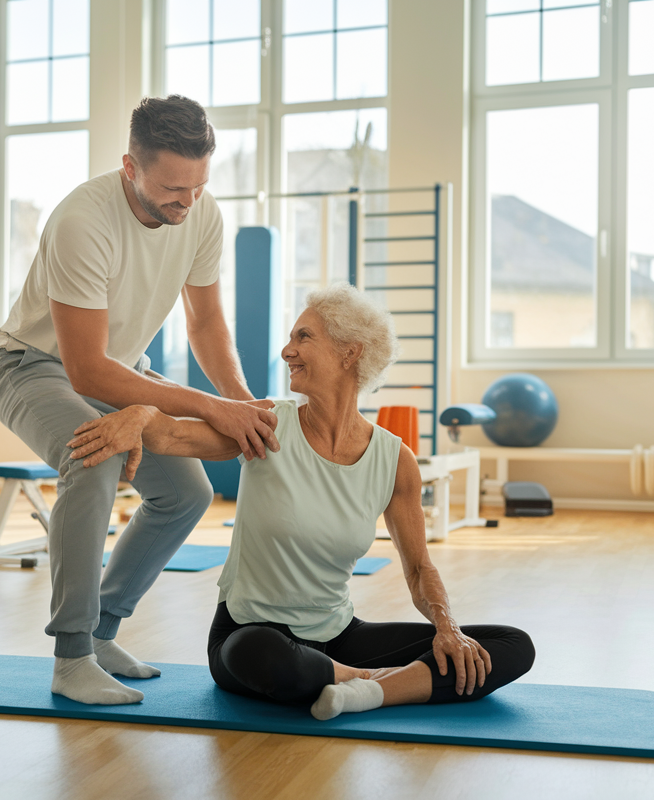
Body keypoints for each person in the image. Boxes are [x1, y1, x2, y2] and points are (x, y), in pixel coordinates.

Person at [67, 284, 535, 720]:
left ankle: (366, 689)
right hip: (250, 634)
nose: (287, 350)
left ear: (350, 353)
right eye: (290, 338)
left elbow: (418, 569)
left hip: (339, 636)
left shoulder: (395, 460)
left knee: (508, 645)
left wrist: (447, 627)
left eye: (303, 337)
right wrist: (140, 414)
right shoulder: (267, 424)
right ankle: (377, 685)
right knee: (268, 660)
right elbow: (172, 433)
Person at [0, 95, 280, 706]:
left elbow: (206, 325)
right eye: (173, 187)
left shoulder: (201, 214)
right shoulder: (82, 221)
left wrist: (243, 404)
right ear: (130, 167)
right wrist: (206, 406)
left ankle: (104, 630)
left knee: (186, 493)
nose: (187, 200)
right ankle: (72, 656)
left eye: (197, 185)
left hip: (121, 371)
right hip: (31, 368)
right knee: (91, 461)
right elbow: (87, 369)